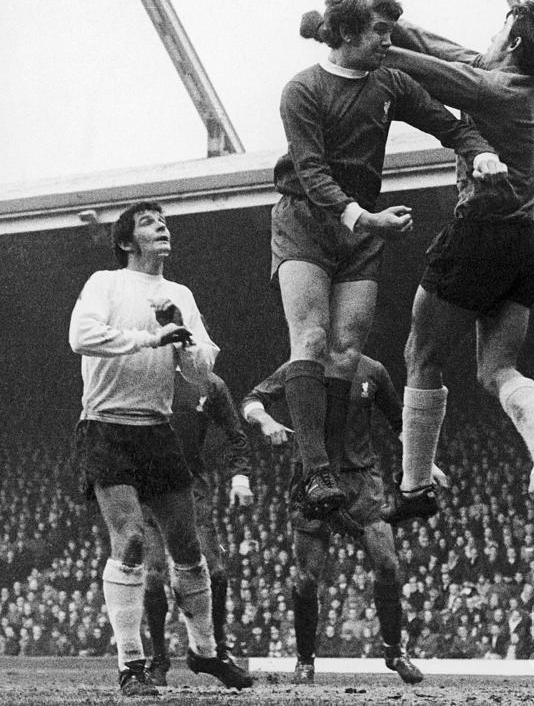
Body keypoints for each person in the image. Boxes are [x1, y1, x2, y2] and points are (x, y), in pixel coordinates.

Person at [301, 0, 534, 534]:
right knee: (496, 369)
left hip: (481, 234)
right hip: (526, 242)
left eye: (501, 30)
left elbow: (408, 64)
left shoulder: (499, 88)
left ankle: (415, 488)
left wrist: (337, 35)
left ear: (515, 42)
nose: (492, 37)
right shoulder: (502, 74)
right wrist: (366, 9)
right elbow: (425, 43)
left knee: (421, 355)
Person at [274, 0, 490, 518]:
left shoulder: (389, 81)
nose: (387, 42)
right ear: (345, 33)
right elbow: (313, 172)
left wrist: (479, 150)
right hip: (307, 215)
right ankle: (314, 470)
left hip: (361, 226)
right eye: (379, 31)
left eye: (392, 30)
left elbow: (448, 125)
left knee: (348, 346)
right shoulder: (302, 89)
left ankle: (336, 469)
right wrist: (364, 218)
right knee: (314, 335)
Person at [68, 200, 253, 697]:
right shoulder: (105, 283)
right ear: (127, 241)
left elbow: (200, 372)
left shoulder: (180, 294)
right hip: (106, 425)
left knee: (188, 551)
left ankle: (205, 651)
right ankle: (132, 664)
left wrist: (184, 338)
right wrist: (153, 338)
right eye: (149, 223)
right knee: (128, 542)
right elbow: (80, 336)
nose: (162, 226)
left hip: (158, 427)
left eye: (163, 221)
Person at [240, 355, 435, 685]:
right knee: (306, 578)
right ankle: (304, 661)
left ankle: (395, 652)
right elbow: (252, 399)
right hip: (314, 482)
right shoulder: (298, 368)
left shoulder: (373, 370)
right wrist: (265, 420)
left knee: (388, 565)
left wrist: (423, 464)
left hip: (362, 482)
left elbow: (400, 423)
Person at [143, 370, 254, 687]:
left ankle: (216, 651)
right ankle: (158, 661)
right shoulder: (142, 372)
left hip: (191, 487)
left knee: (216, 573)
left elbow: (237, 435)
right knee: (152, 578)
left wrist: (240, 477)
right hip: (146, 488)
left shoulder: (210, 384)